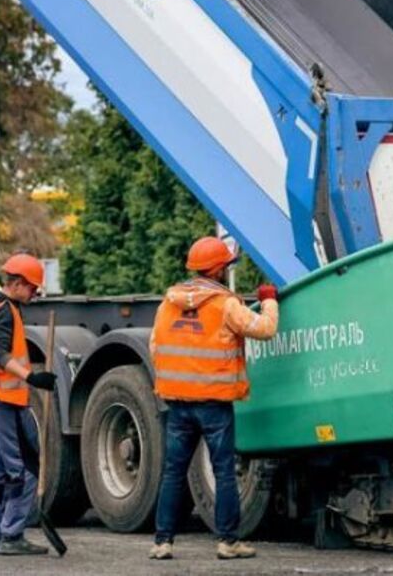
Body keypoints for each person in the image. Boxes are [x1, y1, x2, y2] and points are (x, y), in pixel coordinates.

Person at [149, 236, 280, 561]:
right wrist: (269, 300)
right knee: (223, 471)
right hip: (214, 405)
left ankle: (163, 542)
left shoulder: (168, 303)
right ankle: (228, 542)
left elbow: (155, 347)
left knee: (173, 472)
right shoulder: (225, 304)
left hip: (178, 402)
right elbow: (265, 329)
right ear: (219, 269)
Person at [0, 252, 56, 556]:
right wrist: (32, 377)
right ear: (19, 284)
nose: (34, 294)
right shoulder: (5, 311)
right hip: (6, 401)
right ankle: (12, 535)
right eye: (33, 288)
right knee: (24, 469)